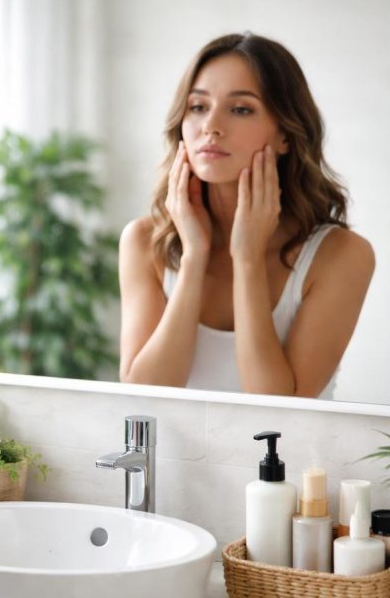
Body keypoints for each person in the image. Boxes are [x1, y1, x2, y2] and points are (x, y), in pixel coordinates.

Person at [118, 33, 374, 399]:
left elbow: (278, 408)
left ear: (286, 135)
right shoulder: (144, 242)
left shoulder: (341, 255)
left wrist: (248, 258)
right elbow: (144, 395)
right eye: (197, 106)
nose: (210, 126)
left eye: (240, 109)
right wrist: (193, 257)